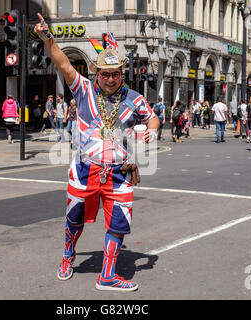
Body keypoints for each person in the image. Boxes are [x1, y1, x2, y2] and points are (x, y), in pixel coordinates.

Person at [34, 13, 159, 292]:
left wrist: (151, 129)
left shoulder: (134, 98)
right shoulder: (83, 90)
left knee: (118, 223)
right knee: (74, 218)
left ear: (121, 73)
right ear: (97, 73)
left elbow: (152, 117)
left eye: (116, 74)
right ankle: (68, 257)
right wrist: (47, 37)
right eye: (105, 74)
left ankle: (107, 275)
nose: (111, 79)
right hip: (84, 169)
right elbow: (64, 63)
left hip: (120, 173)